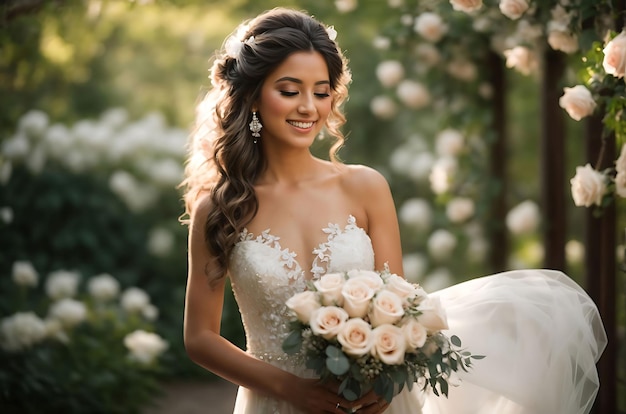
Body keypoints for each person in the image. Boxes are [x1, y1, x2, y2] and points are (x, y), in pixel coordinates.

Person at [180, 7, 607, 414]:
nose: (308, 107)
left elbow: (402, 313)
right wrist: (292, 389)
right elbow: (199, 337)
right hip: (274, 402)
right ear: (253, 97)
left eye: (321, 92)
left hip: (371, 403)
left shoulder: (365, 187)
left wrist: (388, 381)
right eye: (289, 91)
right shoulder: (221, 208)